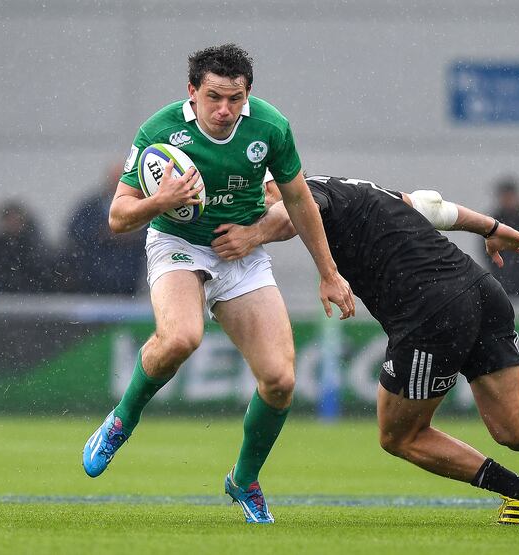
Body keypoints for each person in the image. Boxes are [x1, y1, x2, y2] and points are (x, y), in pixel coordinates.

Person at [226, 173, 519, 526]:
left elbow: (291, 212)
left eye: (259, 198)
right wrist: (494, 228)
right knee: (513, 424)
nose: (257, 207)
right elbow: (435, 207)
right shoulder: (354, 188)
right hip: (482, 290)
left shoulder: (304, 193)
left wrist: (250, 235)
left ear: (274, 184)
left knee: (399, 435)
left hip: (431, 310)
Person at [81, 44, 355, 525]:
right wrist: (161, 200)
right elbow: (118, 217)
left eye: (235, 98)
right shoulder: (160, 131)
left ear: (248, 94)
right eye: (214, 97)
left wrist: (326, 272)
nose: (225, 109)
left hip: (242, 254)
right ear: (192, 91)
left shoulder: (269, 127)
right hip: (178, 244)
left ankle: (244, 480)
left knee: (280, 380)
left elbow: (300, 203)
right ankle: (123, 418)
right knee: (181, 337)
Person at [59, 163, 146, 295]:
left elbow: (153, 234)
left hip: (132, 284)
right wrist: (103, 234)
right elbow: (75, 233)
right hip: (92, 282)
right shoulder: (91, 207)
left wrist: (132, 235)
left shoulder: (143, 206)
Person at [0, 201, 53, 293]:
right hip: (2, 292)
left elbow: (39, 270)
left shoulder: (32, 243)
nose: (12, 223)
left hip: (31, 292)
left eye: (16, 219)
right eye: (9, 220)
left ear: (23, 221)